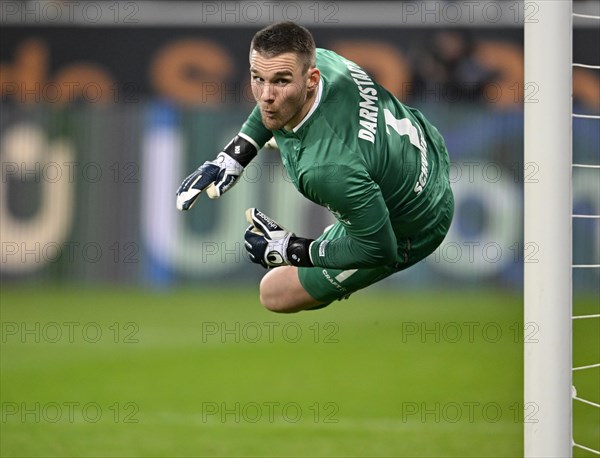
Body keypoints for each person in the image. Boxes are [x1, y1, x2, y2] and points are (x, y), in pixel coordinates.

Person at [176, 22, 454, 313]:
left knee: (274, 293)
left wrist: (292, 249)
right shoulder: (322, 59)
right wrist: (236, 154)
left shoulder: (325, 170)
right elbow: (274, 102)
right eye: (257, 78)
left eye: (281, 81)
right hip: (426, 147)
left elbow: (380, 249)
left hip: (417, 224)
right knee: (287, 117)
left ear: (311, 79)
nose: (266, 95)